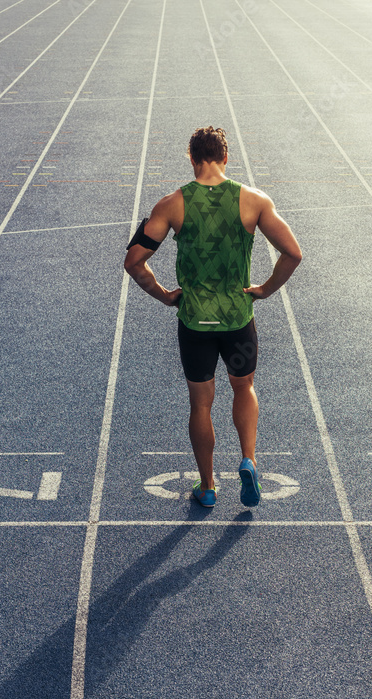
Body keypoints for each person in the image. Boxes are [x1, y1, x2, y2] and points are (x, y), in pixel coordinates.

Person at [124, 126, 302, 507]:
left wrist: (165, 295)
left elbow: (135, 263)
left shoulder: (171, 204)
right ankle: (249, 460)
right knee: (244, 387)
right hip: (237, 320)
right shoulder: (254, 200)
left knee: (201, 403)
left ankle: (207, 488)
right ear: (226, 158)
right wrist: (264, 290)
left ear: (191, 158)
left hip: (195, 324)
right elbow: (293, 253)